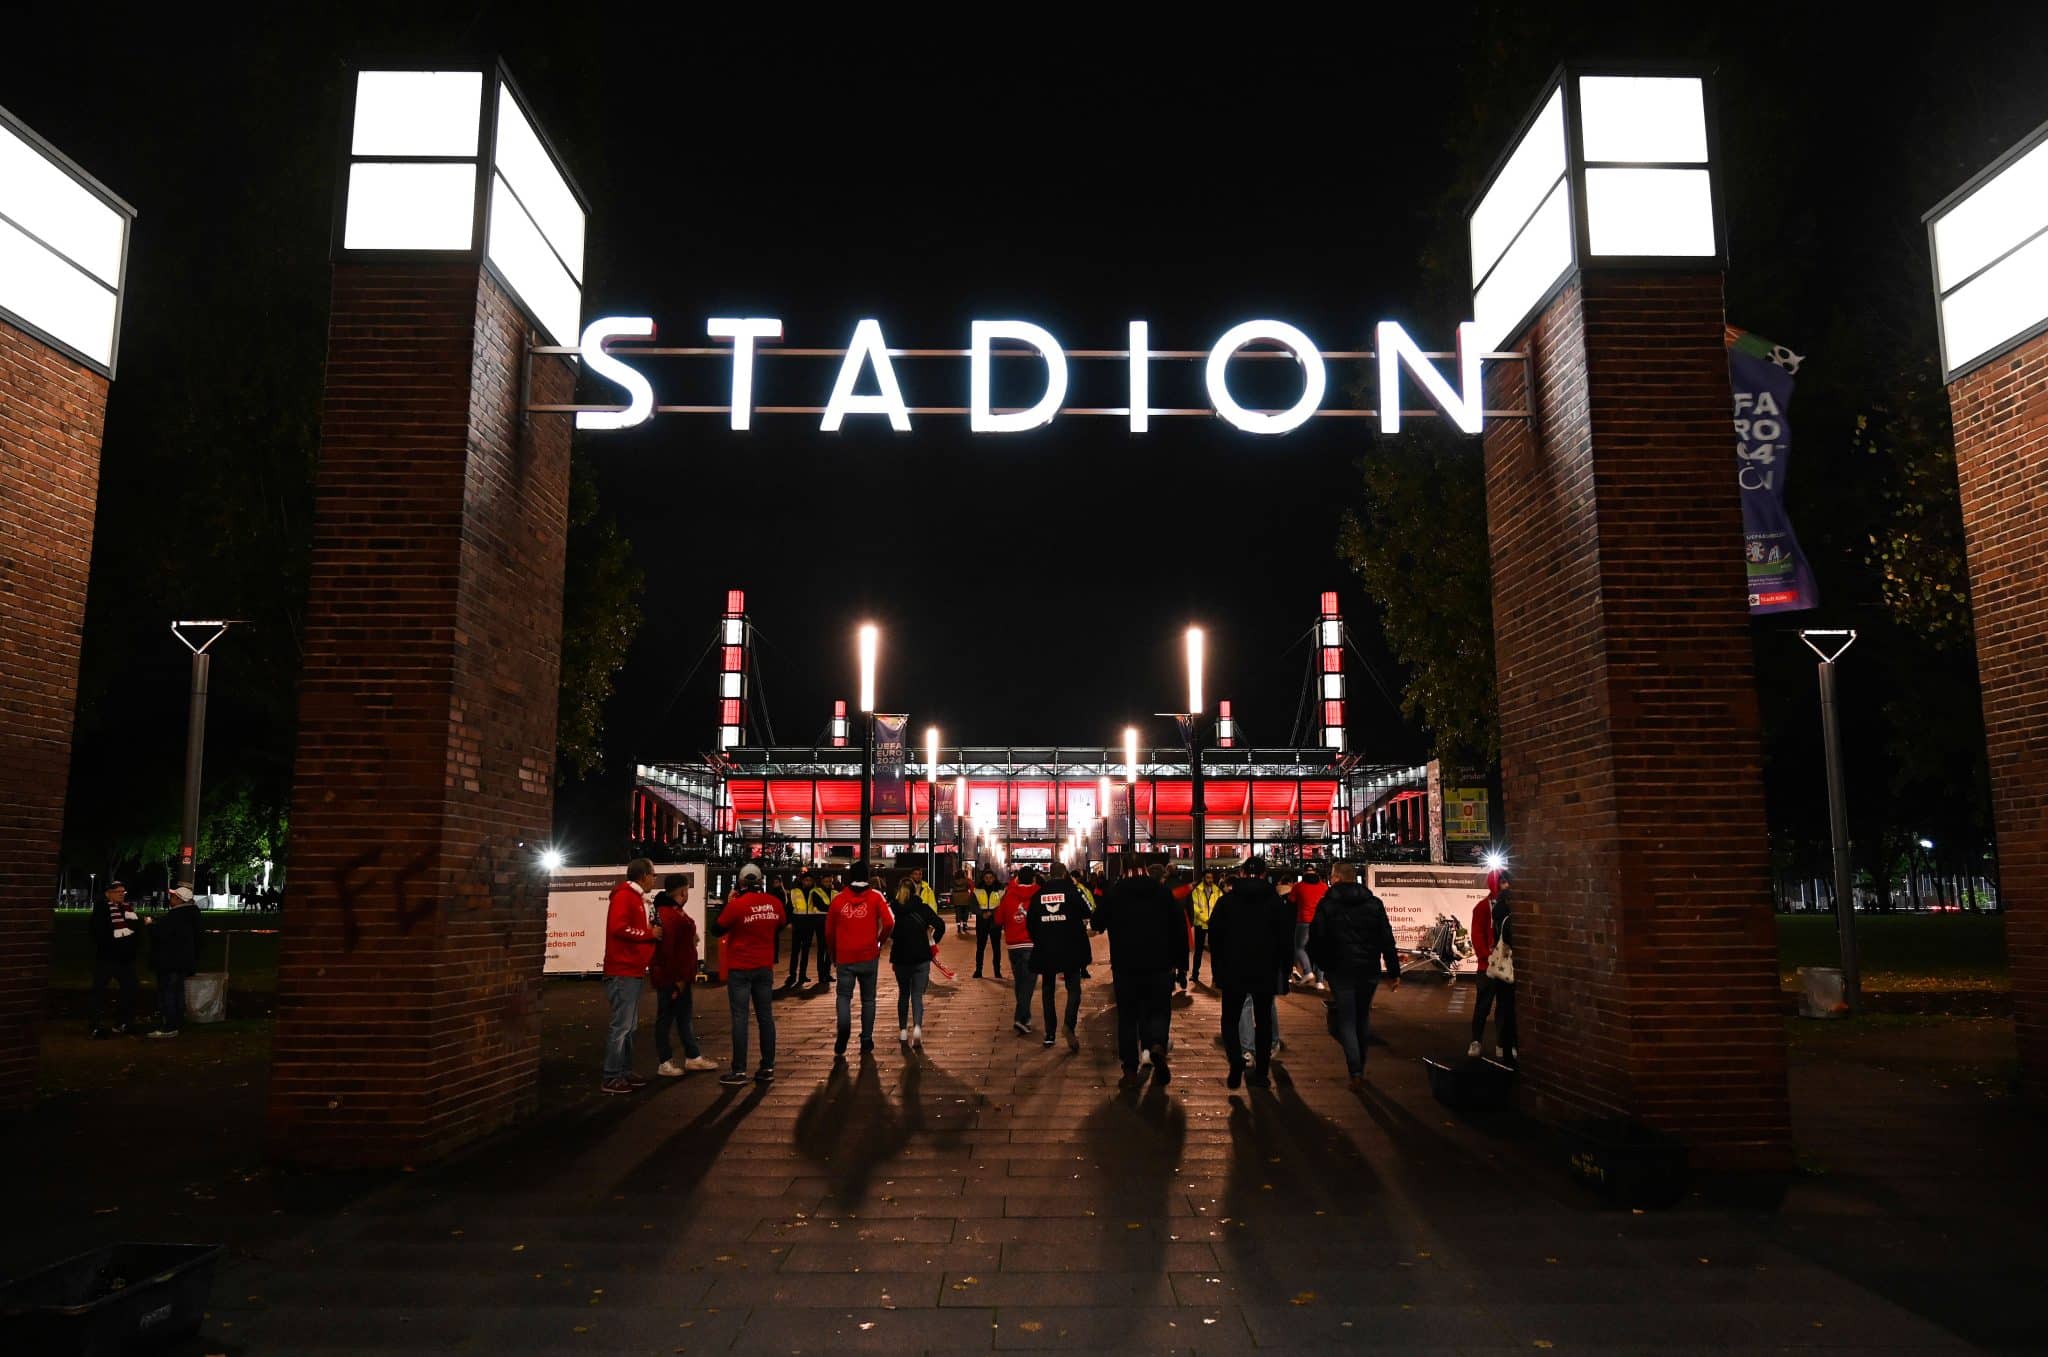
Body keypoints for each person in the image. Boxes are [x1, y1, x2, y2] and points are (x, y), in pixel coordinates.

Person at [1306, 863, 1400, 1088]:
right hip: (1368, 968)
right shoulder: (1373, 903)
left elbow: (1316, 938)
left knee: (1346, 1019)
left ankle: (1355, 1070)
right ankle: (1360, 1066)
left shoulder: (1328, 904)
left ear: (1337, 878)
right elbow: (1387, 939)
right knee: (1362, 1016)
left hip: (1339, 969)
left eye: (1332, 876)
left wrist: (1323, 965)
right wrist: (1393, 971)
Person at [1206, 857, 1293, 1089]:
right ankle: (1262, 1072)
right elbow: (1286, 940)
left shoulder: (1227, 901)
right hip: (1265, 969)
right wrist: (1284, 971)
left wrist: (1217, 969)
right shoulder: (1275, 902)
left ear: (1242, 873)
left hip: (1234, 968)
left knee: (1230, 1019)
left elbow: (1215, 937)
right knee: (1263, 1021)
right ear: (1264, 875)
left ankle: (1236, 1059)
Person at [1099, 863, 1189, 1084]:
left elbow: (1097, 921)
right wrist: (1180, 964)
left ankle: (1130, 1068)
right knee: (1159, 1009)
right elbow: (1179, 928)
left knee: (1128, 1017)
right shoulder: (1163, 894)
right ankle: (1157, 1043)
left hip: (1125, 966)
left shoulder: (1116, 894)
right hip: (1160, 964)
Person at [712, 862, 787, 1085]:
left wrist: (728, 903)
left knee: (740, 1018)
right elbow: (782, 923)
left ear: (741, 882)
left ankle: (739, 1070)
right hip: (764, 966)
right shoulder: (774, 903)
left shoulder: (737, 906)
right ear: (760, 881)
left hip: (740, 967)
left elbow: (717, 929)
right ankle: (767, 1066)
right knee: (765, 1017)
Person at [600, 859, 661, 1093]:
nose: (655, 879)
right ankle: (611, 1075)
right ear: (643, 875)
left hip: (630, 970)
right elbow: (619, 928)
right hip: (622, 970)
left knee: (629, 1025)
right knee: (622, 1026)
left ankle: (623, 1071)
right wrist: (648, 934)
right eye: (653, 875)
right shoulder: (625, 897)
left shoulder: (634, 897)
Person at [651, 874, 716, 1076]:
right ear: (682, 891)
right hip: (673, 977)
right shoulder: (670, 914)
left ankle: (692, 1056)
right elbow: (668, 951)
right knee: (667, 1018)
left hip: (678, 975)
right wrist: (677, 979)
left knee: (683, 1016)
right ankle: (666, 1061)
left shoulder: (671, 911)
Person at [826, 862, 893, 1057]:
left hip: (845, 956)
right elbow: (889, 922)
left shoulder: (838, 900)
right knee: (868, 999)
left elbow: (829, 932)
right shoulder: (875, 897)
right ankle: (866, 1039)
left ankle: (844, 1030)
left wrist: (833, 953)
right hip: (868, 955)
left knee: (843, 996)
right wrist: (879, 942)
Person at [1027, 863, 1093, 1050]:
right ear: (1065, 874)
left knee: (1048, 989)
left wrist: (1040, 939)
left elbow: (1030, 922)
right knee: (1074, 988)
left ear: (1050, 874)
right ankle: (1069, 1025)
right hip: (1071, 946)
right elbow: (1088, 910)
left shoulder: (1039, 895)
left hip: (1047, 948)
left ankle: (1049, 1033)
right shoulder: (1072, 891)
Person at [890, 871, 948, 1047]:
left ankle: (902, 1031)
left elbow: (887, 929)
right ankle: (916, 1028)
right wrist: (931, 941)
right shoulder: (923, 908)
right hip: (921, 956)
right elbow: (940, 925)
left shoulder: (893, 909)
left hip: (900, 957)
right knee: (917, 995)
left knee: (903, 994)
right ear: (915, 891)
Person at [1468, 869, 1518, 1064]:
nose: (1506, 886)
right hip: (1486, 966)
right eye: (1502, 882)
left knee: (1504, 1008)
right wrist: (1486, 956)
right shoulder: (1482, 907)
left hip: (1504, 966)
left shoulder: (1510, 906)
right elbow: (1477, 934)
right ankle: (1476, 1041)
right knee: (1483, 1006)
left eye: (1507, 882)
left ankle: (1502, 1044)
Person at [145, 885, 203, 1038]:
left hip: (170, 961)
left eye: (173, 897)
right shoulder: (192, 914)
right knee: (178, 992)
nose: (170, 899)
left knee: (168, 993)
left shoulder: (176, 916)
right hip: (184, 960)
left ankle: (169, 1026)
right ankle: (178, 1022)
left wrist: (150, 925)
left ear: (178, 899)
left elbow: (162, 935)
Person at [89, 879, 141, 1038]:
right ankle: (96, 1025)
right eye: (118, 892)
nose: (121, 894)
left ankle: (124, 1022)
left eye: (122, 892)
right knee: (99, 991)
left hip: (125, 959)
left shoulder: (127, 909)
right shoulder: (102, 909)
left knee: (130, 988)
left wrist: (131, 947)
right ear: (108, 894)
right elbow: (98, 932)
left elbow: (136, 930)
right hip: (107, 957)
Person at [995, 866, 1040, 1034]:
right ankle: (1020, 1018)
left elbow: (998, 919)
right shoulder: (1038, 895)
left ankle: (1025, 1018)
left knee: (1020, 982)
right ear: (1034, 879)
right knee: (1029, 983)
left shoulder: (1008, 895)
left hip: (1013, 945)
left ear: (1018, 879)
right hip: (1031, 944)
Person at [785, 869, 832, 989]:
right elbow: (789, 908)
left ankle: (802, 975)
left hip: (810, 923)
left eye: (810, 880)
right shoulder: (794, 892)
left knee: (805, 951)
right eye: (806, 880)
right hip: (798, 922)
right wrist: (789, 922)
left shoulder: (814, 891)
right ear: (802, 880)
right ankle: (792, 975)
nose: (808, 882)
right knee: (795, 951)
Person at [1184, 869, 1222, 991]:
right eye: (1207, 877)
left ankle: (1216, 976)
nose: (1210, 880)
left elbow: (1220, 907)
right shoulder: (1197, 891)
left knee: (1215, 952)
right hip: (1201, 924)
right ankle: (1195, 975)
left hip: (1213, 925)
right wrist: (1207, 919)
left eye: (1211, 878)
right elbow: (1196, 908)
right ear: (1203, 878)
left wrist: (1213, 920)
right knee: (1199, 951)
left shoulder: (1217, 891)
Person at [1291, 865, 1328, 989]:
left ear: (1304, 873)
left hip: (1304, 920)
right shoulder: (1324, 886)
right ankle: (1319, 981)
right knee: (1319, 950)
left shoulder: (1298, 886)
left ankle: (1307, 971)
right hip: (1320, 922)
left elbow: (1291, 901)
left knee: (1299, 948)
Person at [972, 869, 1005, 979]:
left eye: (991, 877)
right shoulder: (977, 890)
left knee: (996, 947)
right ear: (983, 878)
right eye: (986, 878)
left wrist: (993, 912)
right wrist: (981, 914)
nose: (989, 880)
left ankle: (997, 971)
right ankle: (978, 970)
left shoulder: (1000, 890)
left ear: (994, 878)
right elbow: (973, 905)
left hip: (995, 920)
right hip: (982, 921)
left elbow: (1003, 904)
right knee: (980, 947)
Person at [949, 869, 975, 939]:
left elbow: (951, 888)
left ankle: (958, 927)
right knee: (965, 912)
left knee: (958, 913)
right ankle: (964, 925)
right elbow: (970, 886)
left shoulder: (954, 881)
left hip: (956, 898)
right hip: (965, 897)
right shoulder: (966, 880)